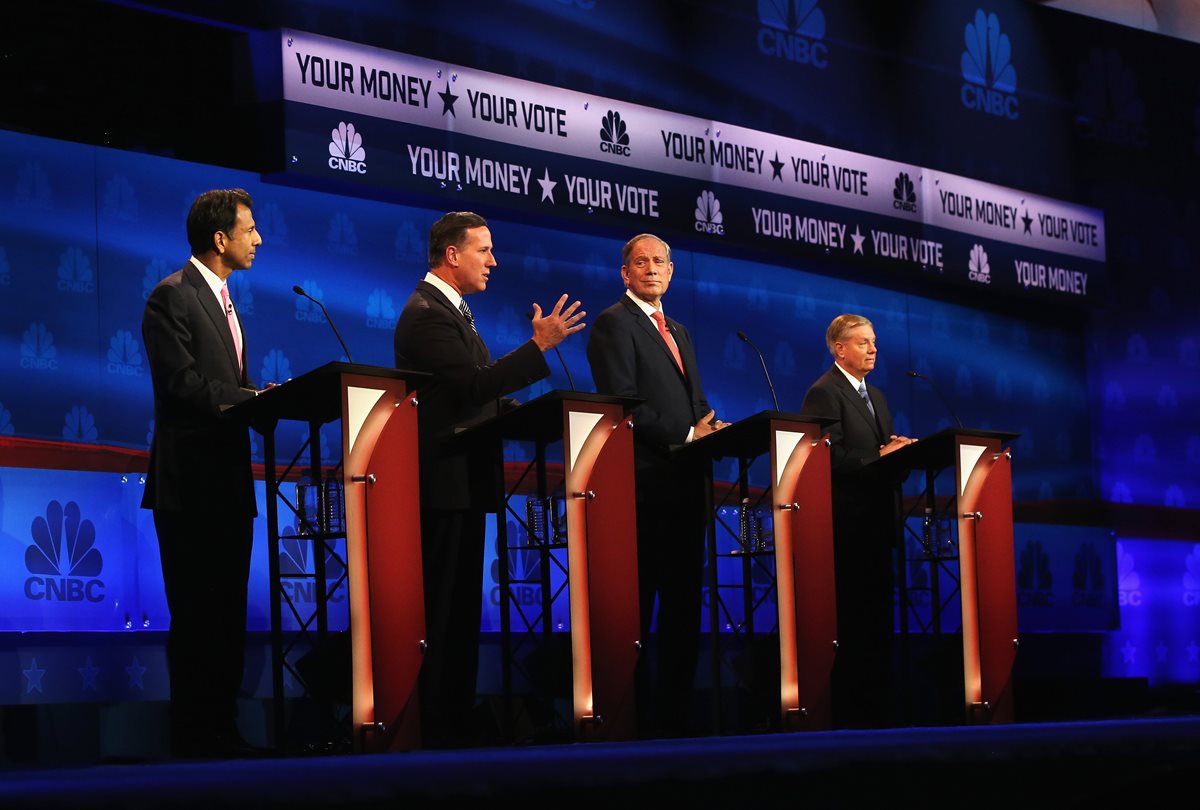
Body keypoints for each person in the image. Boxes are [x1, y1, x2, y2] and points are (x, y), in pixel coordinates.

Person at [393, 210, 585, 748]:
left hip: (466, 485)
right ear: (452, 255)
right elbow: (467, 389)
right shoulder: (426, 313)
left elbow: (478, 394)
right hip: (443, 486)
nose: (494, 261)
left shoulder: (452, 311)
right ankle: (435, 729)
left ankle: (452, 726)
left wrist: (526, 408)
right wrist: (538, 348)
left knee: (460, 620)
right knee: (443, 618)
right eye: (484, 250)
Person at [142, 187, 271, 758]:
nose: (258, 239)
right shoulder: (171, 297)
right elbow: (182, 386)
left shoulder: (225, 300)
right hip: (190, 485)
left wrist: (260, 401)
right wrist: (250, 399)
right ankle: (194, 738)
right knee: (196, 616)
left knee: (227, 616)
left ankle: (223, 731)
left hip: (228, 484)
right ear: (221, 239)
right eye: (249, 230)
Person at [586, 233, 729, 737]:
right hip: (643, 491)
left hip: (686, 488)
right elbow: (623, 403)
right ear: (625, 273)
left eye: (660, 262)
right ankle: (634, 723)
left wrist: (707, 426)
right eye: (641, 262)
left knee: (685, 611)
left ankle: (678, 721)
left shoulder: (680, 331)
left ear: (672, 272)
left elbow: (695, 400)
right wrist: (690, 433)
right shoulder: (612, 324)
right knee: (640, 615)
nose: (651, 269)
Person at [801, 313, 915, 729]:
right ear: (840, 348)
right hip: (847, 530)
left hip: (878, 526)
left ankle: (880, 713)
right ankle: (850, 717)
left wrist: (899, 455)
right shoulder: (823, 393)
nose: (873, 349)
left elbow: (879, 460)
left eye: (874, 341)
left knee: (879, 627)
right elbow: (826, 460)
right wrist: (878, 458)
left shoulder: (878, 396)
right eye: (864, 342)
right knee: (853, 627)